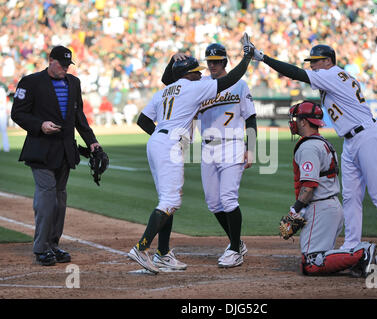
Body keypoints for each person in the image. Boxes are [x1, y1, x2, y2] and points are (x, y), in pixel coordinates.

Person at [249, 43, 377, 264]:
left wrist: (263, 58)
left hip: (366, 135)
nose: (313, 65)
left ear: (328, 61)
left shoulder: (332, 74)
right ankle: (352, 244)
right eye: (311, 62)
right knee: (350, 196)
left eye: (316, 61)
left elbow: (297, 74)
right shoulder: (334, 76)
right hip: (352, 139)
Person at [127, 36, 255, 274]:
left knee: (169, 198)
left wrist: (162, 136)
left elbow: (143, 120)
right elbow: (232, 78)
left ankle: (163, 254)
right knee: (171, 200)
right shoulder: (197, 86)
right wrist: (247, 57)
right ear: (190, 74)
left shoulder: (164, 91)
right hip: (172, 144)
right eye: (198, 69)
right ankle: (141, 247)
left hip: (157, 142)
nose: (201, 72)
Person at [162, 43, 257, 268]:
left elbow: (251, 118)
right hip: (207, 147)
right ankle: (237, 242)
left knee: (228, 198)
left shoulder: (240, 85)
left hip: (232, 144)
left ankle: (234, 249)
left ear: (225, 62)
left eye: (217, 61)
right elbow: (169, 83)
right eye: (210, 62)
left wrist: (250, 147)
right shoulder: (200, 84)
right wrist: (171, 61)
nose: (213, 65)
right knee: (214, 203)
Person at [11, 45, 102, 266]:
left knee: (60, 199)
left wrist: (92, 142)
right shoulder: (30, 82)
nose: (65, 69)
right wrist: (40, 125)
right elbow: (18, 113)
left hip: (65, 150)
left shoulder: (74, 83)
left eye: (68, 65)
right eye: (61, 64)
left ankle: (53, 245)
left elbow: (78, 115)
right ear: (50, 60)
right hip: (40, 149)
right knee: (46, 197)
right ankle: (41, 248)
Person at [284, 100, 377, 276]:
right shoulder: (321, 142)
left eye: (297, 118)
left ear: (304, 121)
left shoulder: (309, 147)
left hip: (321, 210)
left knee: (311, 263)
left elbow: (309, 186)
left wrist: (295, 211)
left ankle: (361, 253)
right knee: (321, 257)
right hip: (330, 207)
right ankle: (358, 260)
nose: (294, 122)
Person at [0, 84, 10, 152]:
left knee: (3, 130)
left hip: (2, 111)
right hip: (2, 111)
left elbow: (2, 102)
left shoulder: (1, 89)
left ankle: (6, 147)